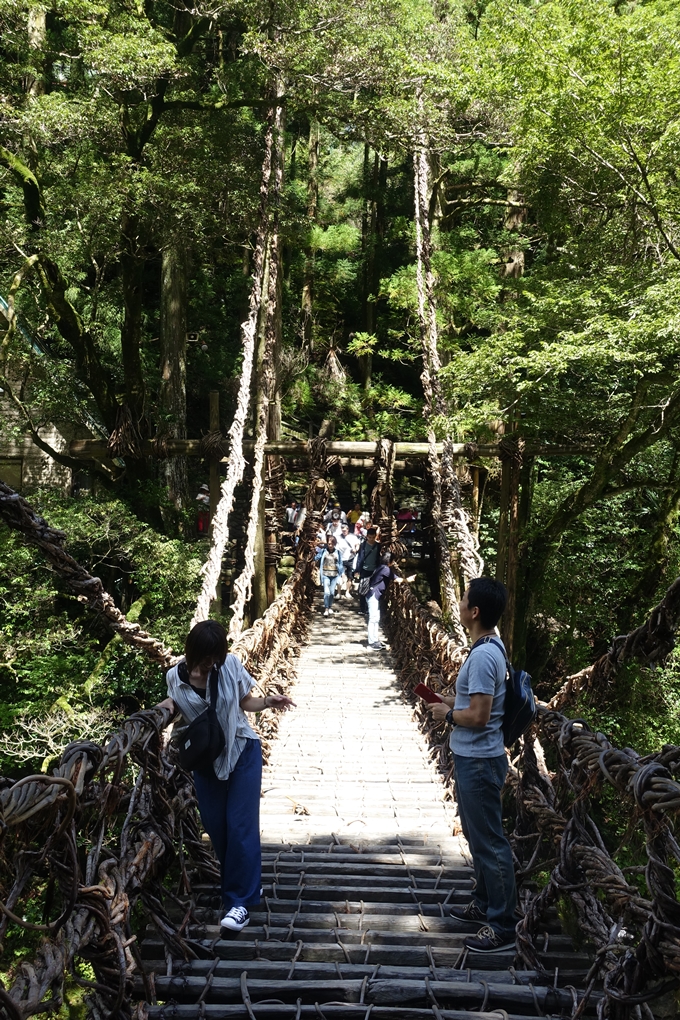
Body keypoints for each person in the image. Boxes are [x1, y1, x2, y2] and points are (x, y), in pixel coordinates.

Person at [159, 620, 295, 933]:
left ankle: (239, 903)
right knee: (216, 828)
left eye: (216, 657)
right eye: (206, 658)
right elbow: (176, 708)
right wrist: (161, 710)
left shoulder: (230, 665)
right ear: (192, 652)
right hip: (207, 762)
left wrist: (267, 702)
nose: (211, 664)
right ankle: (248, 883)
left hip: (242, 751)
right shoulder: (174, 677)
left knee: (240, 824)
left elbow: (246, 701)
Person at [427, 578, 517, 954]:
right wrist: (450, 699)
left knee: (489, 841)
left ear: (474, 611)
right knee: (477, 835)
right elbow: (479, 701)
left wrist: (448, 715)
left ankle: (502, 926)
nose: (460, 603)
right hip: (476, 757)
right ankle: (483, 902)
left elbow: (478, 716)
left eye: (464, 599)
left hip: (479, 759)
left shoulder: (482, 656)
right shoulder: (490, 647)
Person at [366, 550, 401, 650]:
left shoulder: (380, 567)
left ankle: (375, 640)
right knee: (373, 619)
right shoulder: (385, 569)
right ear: (389, 560)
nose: (393, 563)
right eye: (393, 560)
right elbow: (397, 579)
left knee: (376, 618)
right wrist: (408, 580)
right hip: (373, 595)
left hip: (373, 595)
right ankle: (371, 643)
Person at [315, 534, 344, 617]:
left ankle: (330, 606)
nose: (330, 545)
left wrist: (341, 574)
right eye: (329, 544)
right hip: (325, 574)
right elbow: (317, 557)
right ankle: (326, 608)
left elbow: (340, 564)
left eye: (332, 544)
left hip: (334, 575)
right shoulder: (324, 551)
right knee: (326, 592)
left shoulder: (338, 552)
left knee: (331, 592)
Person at [354, 528, 381, 613]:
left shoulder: (378, 546)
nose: (371, 539)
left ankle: (370, 609)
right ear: (367, 536)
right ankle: (362, 609)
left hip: (374, 571)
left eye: (373, 537)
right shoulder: (363, 545)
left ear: (375, 536)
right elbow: (360, 558)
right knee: (363, 590)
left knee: (372, 590)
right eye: (370, 537)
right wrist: (357, 570)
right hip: (364, 570)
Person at [338, 523, 360, 598]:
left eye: (345, 530)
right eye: (342, 530)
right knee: (340, 576)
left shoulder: (353, 537)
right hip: (341, 559)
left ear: (348, 529)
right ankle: (339, 592)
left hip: (350, 558)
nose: (343, 531)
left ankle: (347, 591)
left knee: (350, 577)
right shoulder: (338, 537)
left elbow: (357, 545)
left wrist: (355, 549)